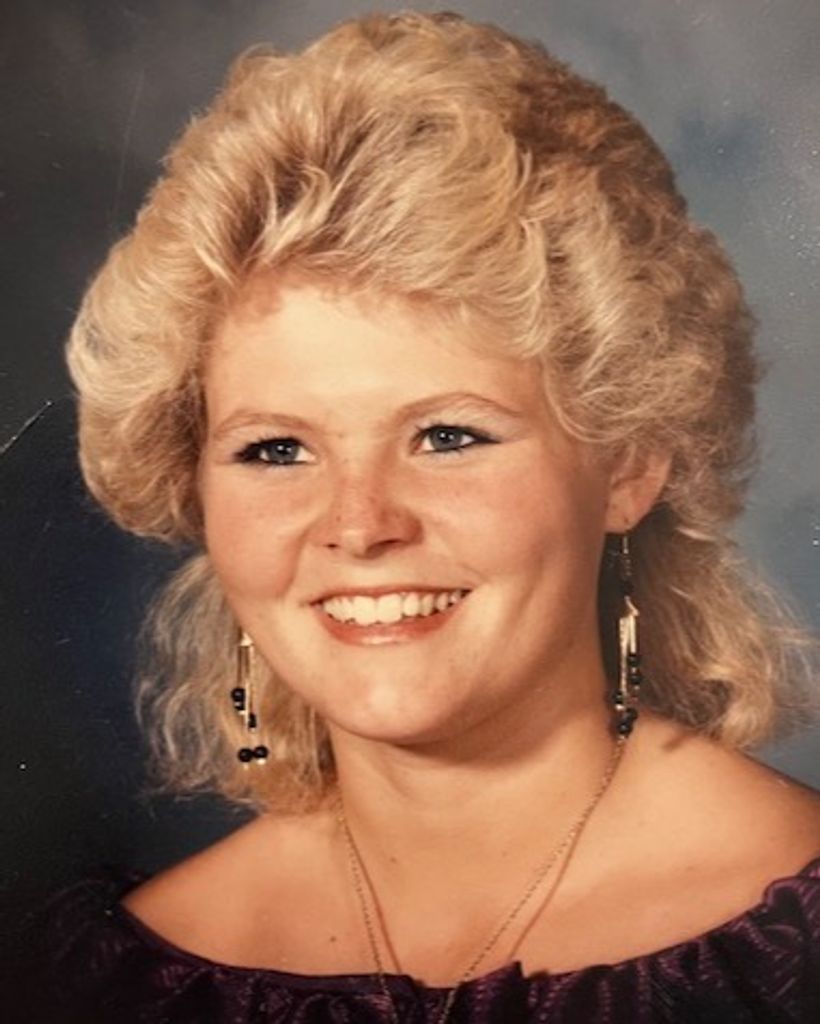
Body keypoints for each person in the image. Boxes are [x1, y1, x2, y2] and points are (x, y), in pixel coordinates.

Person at [32, 10, 820, 1023]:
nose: (359, 525)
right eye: (276, 449)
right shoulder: (98, 981)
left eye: (447, 435)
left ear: (627, 464)